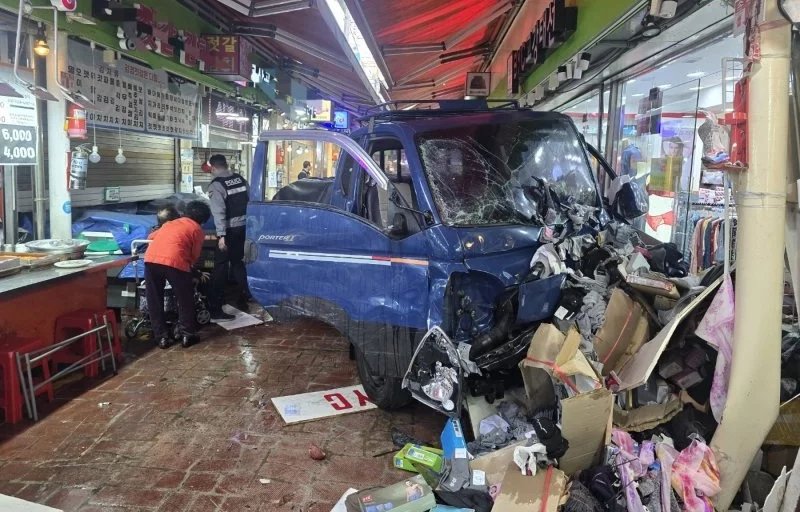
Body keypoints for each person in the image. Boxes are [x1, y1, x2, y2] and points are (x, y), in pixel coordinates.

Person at [144, 200, 211, 349]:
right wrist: (195, 273)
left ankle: (161, 338)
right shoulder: (197, 229)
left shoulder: (170, 223)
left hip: (151, 260)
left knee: (154, 299)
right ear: (203, 220)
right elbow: (193, 256)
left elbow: (151, 237)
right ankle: (187, 335)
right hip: (175, 263)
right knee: (185, 298)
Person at [207, 154, 250, 320]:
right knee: (239, 263)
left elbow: (219, 212)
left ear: (214, 168)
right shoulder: (240, 179)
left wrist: (221, 236)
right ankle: (246, 295)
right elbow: (251, 200)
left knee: (221, 266)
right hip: (244, 227)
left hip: (229, 230)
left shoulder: (216, 185)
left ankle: (215, 307)